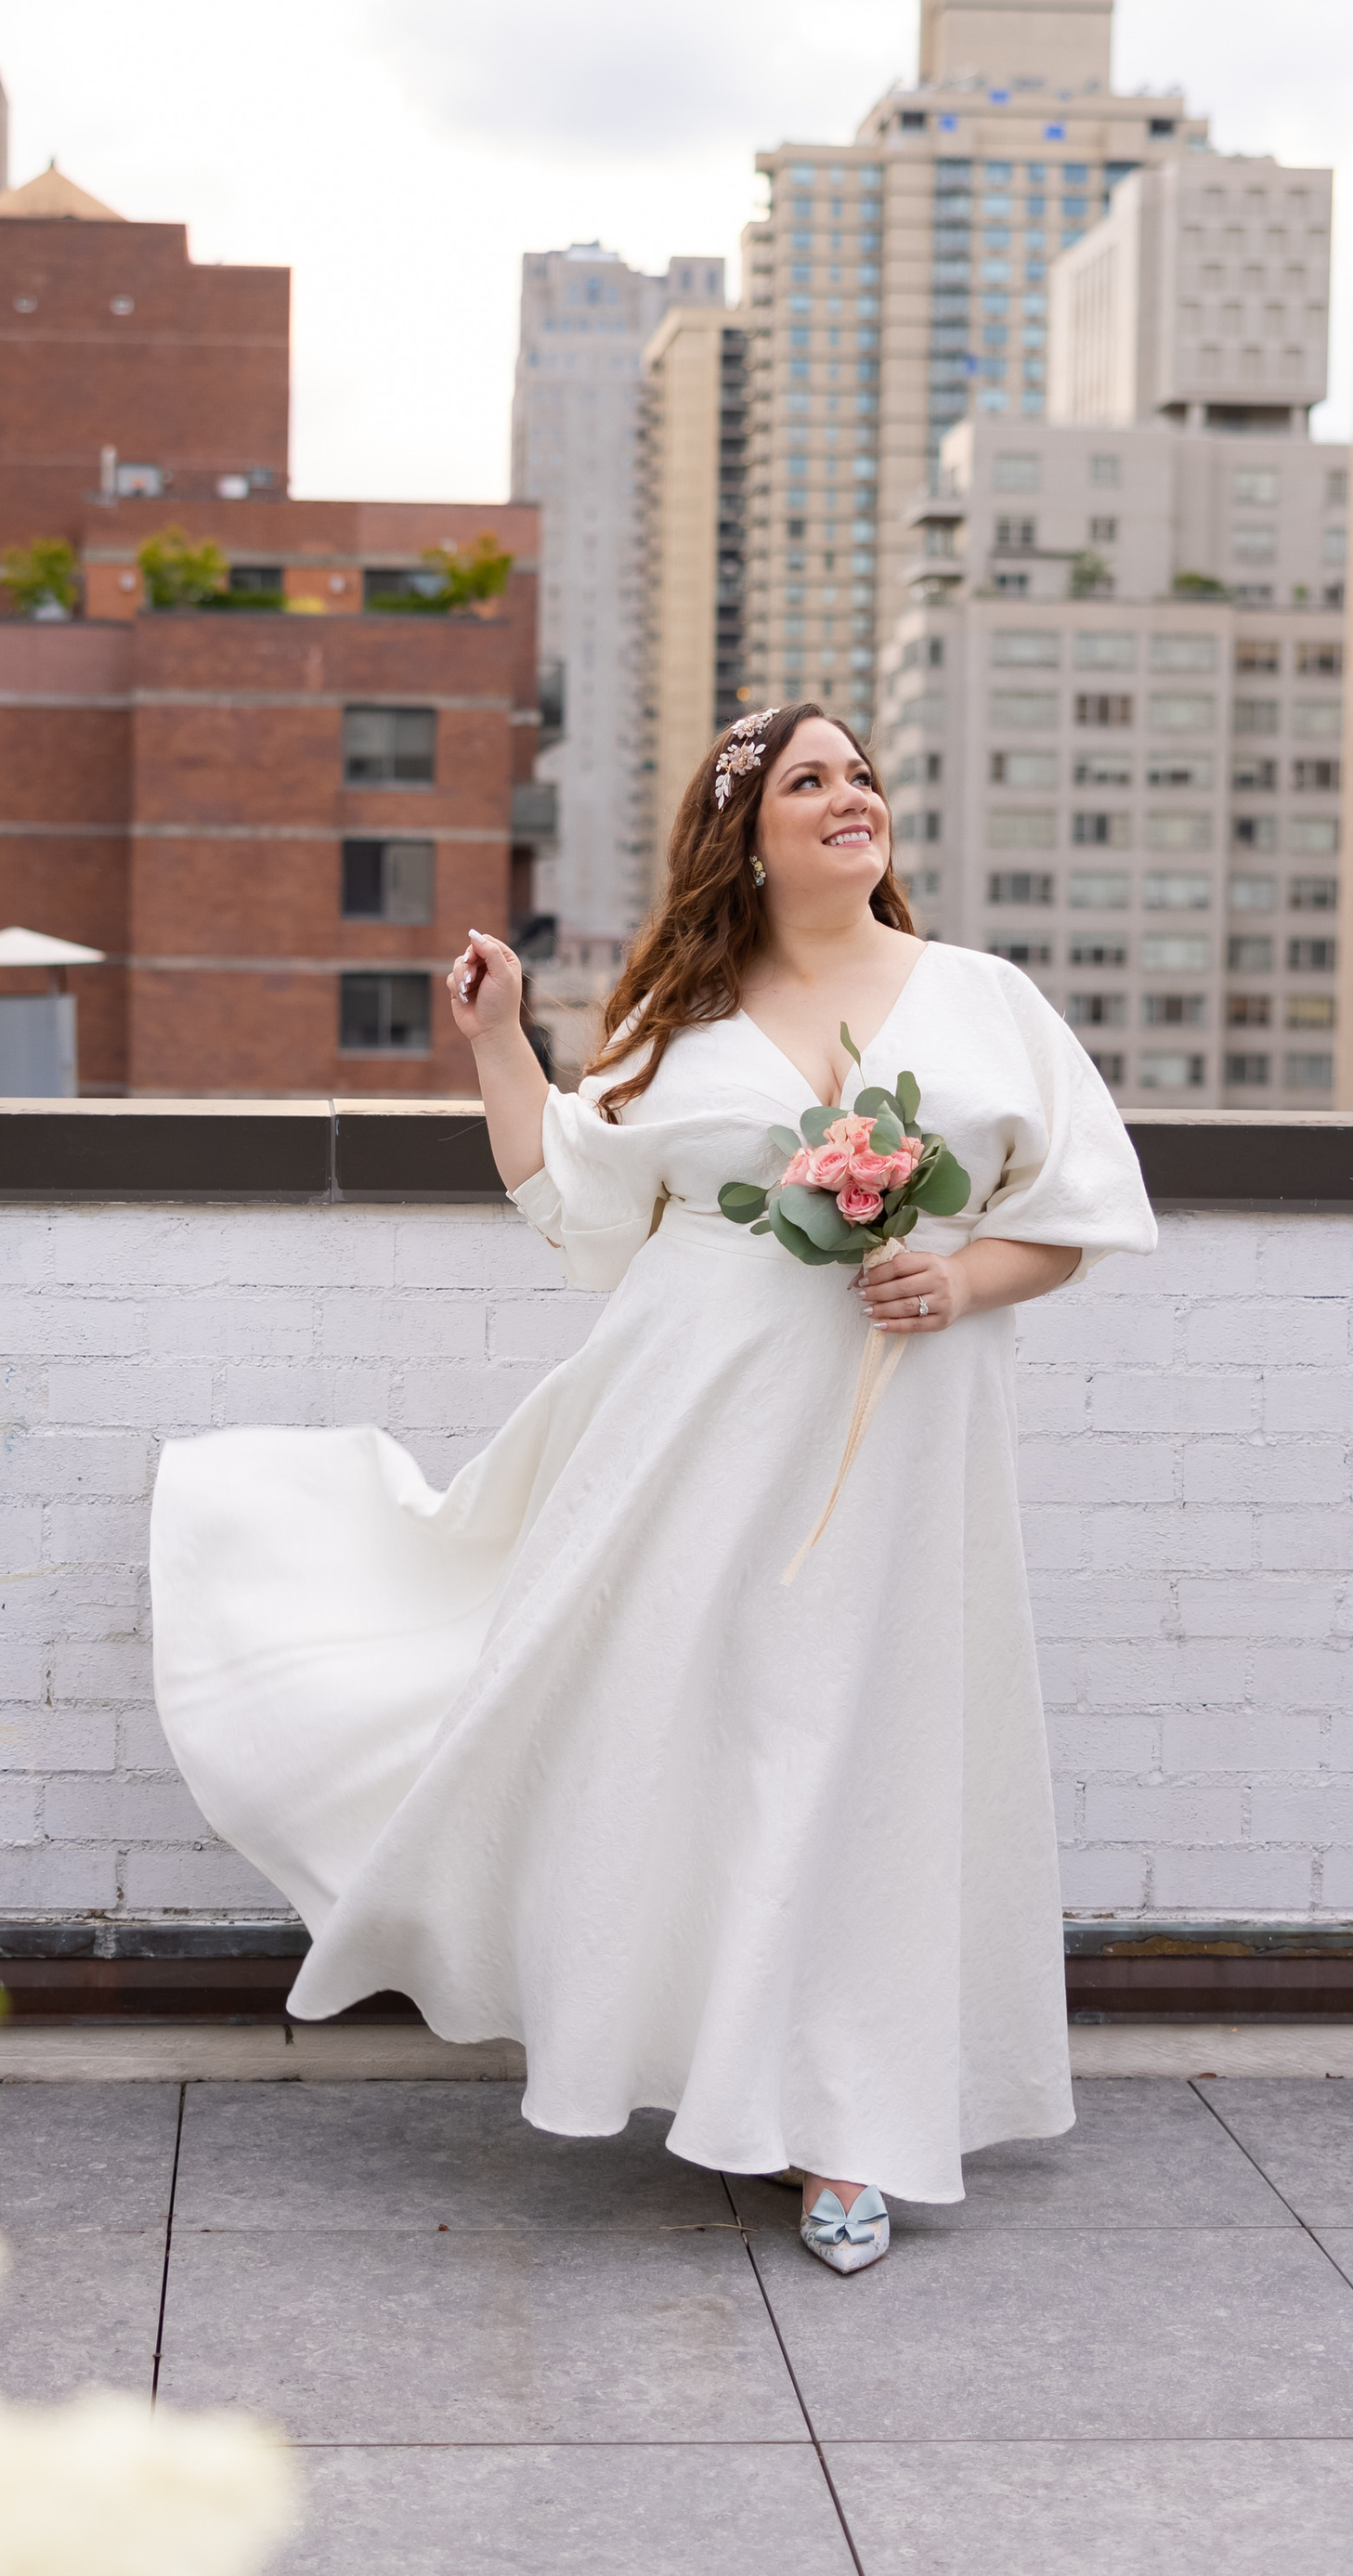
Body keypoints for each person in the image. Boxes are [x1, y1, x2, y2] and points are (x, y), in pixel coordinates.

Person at [150, 700, 1155, 2271]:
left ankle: (844, 2128)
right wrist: (501, 1043)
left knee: (865, 1754)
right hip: (687, 1437)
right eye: (809, 781)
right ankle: (738, 2073)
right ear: (742, 835)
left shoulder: (982, 1001)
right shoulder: (682, 1018)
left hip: (902, 1451)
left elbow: (1080, 1214)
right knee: (722, 1744)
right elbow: (577, 1204)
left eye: (864, 775)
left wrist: (958, 1279)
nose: (851, 798)